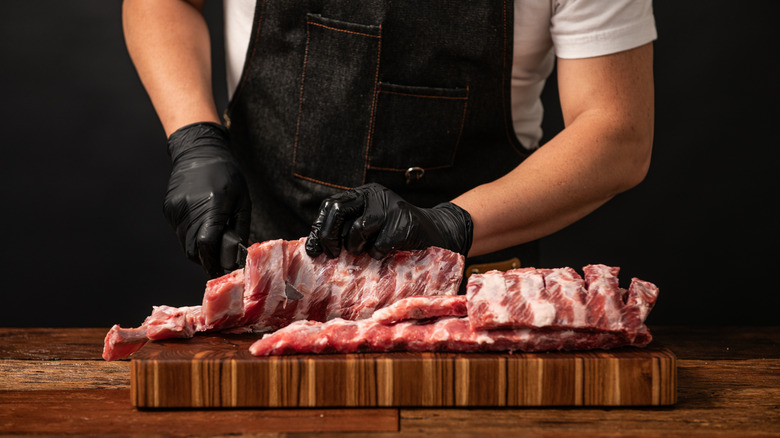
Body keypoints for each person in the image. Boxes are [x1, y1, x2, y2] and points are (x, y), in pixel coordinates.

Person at [122, 0, 656, 278]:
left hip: (469, 294)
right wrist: (195, 139)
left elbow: (617, 131)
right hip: (269, 275)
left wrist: (448, 226)